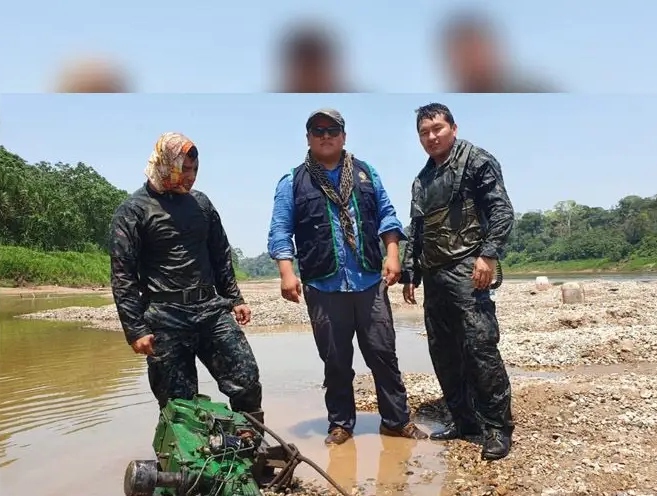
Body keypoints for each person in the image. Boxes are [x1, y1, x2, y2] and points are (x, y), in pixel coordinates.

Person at [267, 108, 428, 445]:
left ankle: (396, 421)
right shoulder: (292, 181)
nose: (326, 135)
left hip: (369, 280)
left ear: (344, 135)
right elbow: (280, 230)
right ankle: (341, 424)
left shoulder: (366, 173)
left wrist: (393, 255)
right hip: (322, 284)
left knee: (383, 355)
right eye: (318, 130)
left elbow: (387, 215)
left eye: (333, 130)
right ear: (308, 137)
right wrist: (286, 272)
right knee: (336, 361)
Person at [109, 132, 265, 425]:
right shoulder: (133, 211)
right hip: (165, 317)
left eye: (195, 170)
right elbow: (123, 274)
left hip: (211, 311)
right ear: (166, 164)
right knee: (178, 404)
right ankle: (184, 466)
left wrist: (234, 298)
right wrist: (135, 329)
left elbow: (220, 253)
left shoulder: (201, 204)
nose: (191, 176)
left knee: (247, 381)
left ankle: (251, 449)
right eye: (185, 169)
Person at [400, 102, 516, 460]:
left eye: (437, 128)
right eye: (424, 132)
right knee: (444, 352)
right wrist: (410, 272)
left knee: (480, 348)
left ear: (453, 127)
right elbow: (416, 228)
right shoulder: (422, 180)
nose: (432, 136)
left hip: (469, 267)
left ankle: (497, 427)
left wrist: (489, 254)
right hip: (434, 275)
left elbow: (501, 210)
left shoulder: (476, 161)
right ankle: (464, 420)